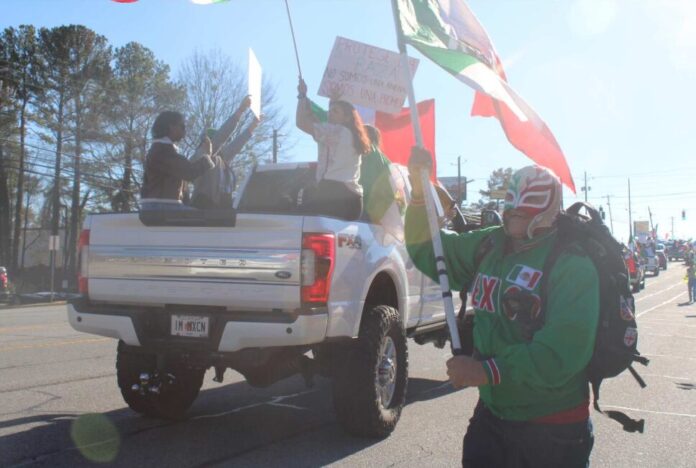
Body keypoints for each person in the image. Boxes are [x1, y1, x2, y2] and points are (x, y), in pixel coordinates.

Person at [405, 148, 598, 467]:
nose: (511, 216)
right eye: (511, 209)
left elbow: (562, 353)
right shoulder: (491, 244)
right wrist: (418, 190)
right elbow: (429, 249)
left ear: (546, 213)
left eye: (522, 213)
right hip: (494, 417)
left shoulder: (572, 264)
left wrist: (486, 370)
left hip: (554, 427)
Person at [295, 78, 370, 220]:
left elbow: (301, 122)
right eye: (329, 110)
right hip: (353, 201)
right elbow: (320, 123)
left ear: (347, 118)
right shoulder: (352, 136)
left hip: (333, 195)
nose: (329, 113)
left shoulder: (337, 132)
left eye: (335, 111)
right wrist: (333, 101)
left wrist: (302, 96)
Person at [140, 111, 215, 211]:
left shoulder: (161, 149)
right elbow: (188, 172)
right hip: (162, 206)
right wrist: (207, 155)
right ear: (171, 127)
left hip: (160, 205)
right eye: (182, 126)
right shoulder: (163, 150)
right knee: (204, 220)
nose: (184, 130)